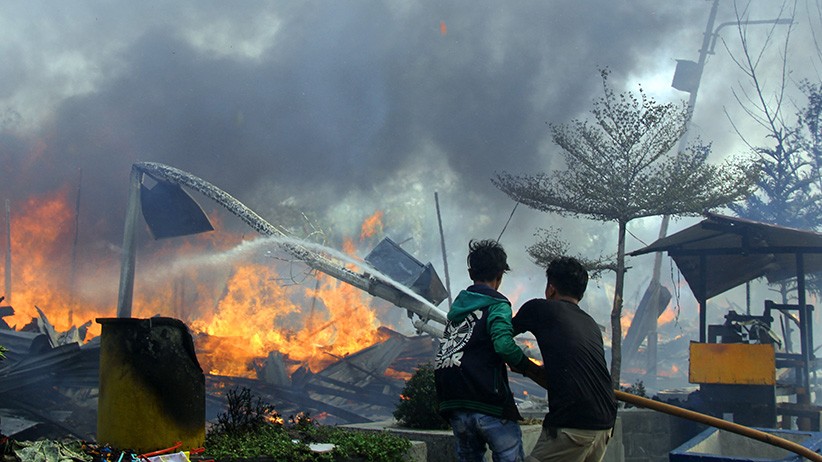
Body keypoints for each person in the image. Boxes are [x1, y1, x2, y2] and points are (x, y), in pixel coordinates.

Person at [434, 239, 542, 462]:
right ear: (500, 275)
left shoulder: (457, 311)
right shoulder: (497, 304)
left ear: (471, 273)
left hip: (455, 403)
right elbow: (503, 345)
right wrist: (529, 368)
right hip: (487, 401)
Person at [512, 256, 617, 462]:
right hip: (605, 425)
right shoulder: (591, 324)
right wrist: (529, 369)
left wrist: (520, 362)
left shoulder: (539, 308)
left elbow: (499, 335)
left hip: (573, 424)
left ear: (551, 289)